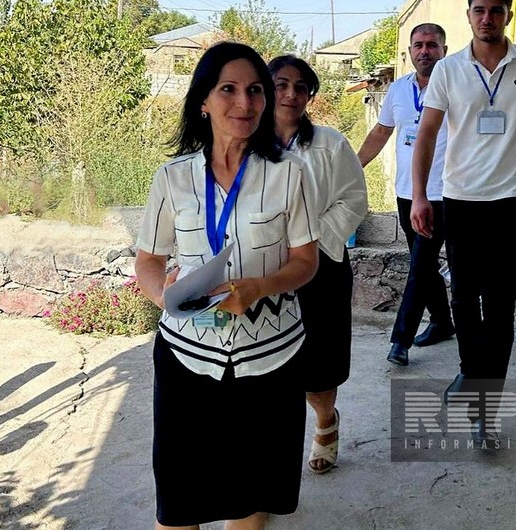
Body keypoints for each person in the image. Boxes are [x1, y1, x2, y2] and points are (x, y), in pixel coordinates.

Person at [134, 42, 319, 530]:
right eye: (229, 89)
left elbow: (306, 262)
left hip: (270, 358)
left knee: (249, 495)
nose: (245, 103)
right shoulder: (172, 179)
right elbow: (148, 261)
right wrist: (166, 296)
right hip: (187, 358)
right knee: (179, 498)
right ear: (203, 101)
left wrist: (259, 287)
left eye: (255, 90)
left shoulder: (289, 175)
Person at [410, 0, 516, 448]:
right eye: (479, 10)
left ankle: (486, 410)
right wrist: (419, 196)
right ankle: (473, 379)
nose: (487, 18)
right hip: (461, 201)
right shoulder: (449, 70)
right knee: (464, 301)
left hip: (511, 203)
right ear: (468, 15)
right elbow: (427, 134)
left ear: (509, 14)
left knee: (500, 307)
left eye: (496, 10)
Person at [268, 55, 368, 474]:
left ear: (311, 95)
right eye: (281, 84)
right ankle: (273, 455)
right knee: (269, 363)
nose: (291, 94)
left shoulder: (330, 144)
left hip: (322, 265)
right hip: (266, 269)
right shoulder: (246, 144)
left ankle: (326, 422)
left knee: (319, 362)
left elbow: (353, 199)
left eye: (301, 87)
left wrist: (312, 242)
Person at [357, 23, 455, 367]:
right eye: (418, 45)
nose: (424, 51)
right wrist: (353, 169)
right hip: (407, 193)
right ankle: (443, 323)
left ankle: (401, 340)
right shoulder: (398, 90)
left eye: (432, 45)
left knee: (420, 264)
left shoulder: (456, 86)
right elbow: (382, 132)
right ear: (410, 51)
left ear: (444, 49)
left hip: (444, 193)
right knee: (423, 265)